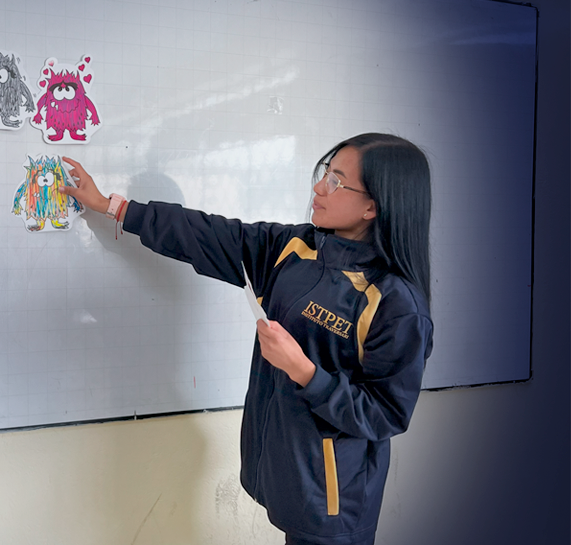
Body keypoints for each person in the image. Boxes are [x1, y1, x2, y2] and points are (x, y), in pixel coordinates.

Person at [61, 133, 433, 545]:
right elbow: (205, 233)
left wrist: (304, 372)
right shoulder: (295, 249)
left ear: (372, 207)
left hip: (335, 501)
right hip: (288, 477)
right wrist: (111, 206)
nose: (318, 188)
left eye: (336, 182)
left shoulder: (396, 303)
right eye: (325, 174)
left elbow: (385, 414)